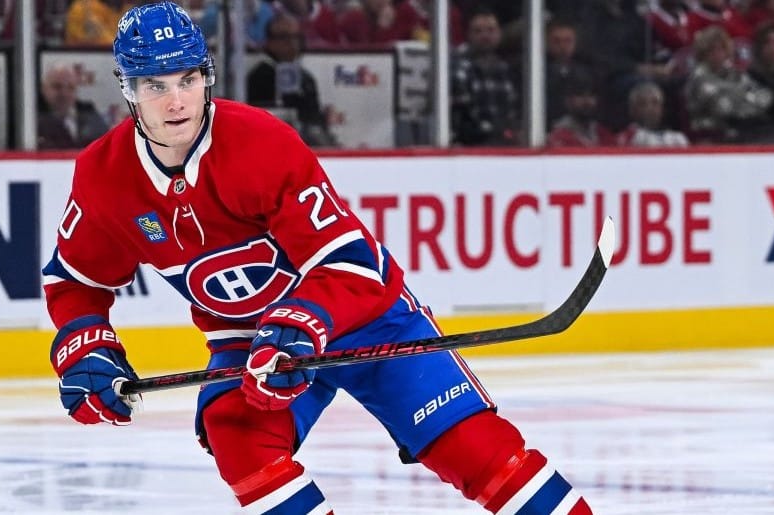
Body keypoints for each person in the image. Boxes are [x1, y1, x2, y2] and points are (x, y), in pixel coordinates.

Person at [41, 3, 594, 514]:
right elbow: (75, 280)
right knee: (237, 433)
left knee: (476, 451)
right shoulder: (103, 176)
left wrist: (300, 323)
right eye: (155, 85)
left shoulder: (261, 143)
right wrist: (87, 344)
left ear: (207, 75)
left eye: (188, 79)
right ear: (127, 89)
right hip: (247, 337)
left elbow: (351, 259)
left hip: (364, 316)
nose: (176, 101)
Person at [246, 13, 337, 147]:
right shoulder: (259, 77)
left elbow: (313, 119)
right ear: (269, 42)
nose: (292, 43)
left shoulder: (306, 78)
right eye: (284, 37)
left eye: (296, 37)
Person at [450, 7, 519, 146]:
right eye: (478, 31)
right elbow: (459, 115)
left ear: (499, 33)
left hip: (504, 144)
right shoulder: (457, 67)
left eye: (491, 30)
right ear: (468, 34)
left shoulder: (508, 68)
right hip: (469, 146)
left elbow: (514, 112)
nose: (485, 36)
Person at [37, 63, 110, 149]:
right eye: (57, 87)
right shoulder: (32, 120)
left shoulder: (90, 115)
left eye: (71, 87)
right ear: (43, 88)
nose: (64, 93)